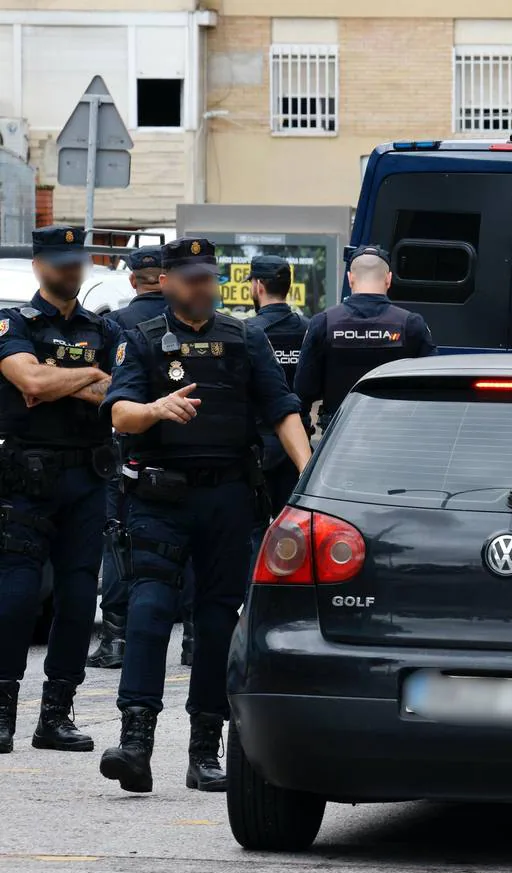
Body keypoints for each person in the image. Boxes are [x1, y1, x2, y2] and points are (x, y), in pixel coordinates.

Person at [99, 237, 311, 793]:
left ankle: (204, 750)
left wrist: (310, 477)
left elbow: (283, 410)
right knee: (148, 610)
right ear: (165, 281)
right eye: (190, 277)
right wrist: (155, 409)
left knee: (217, 621)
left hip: (227, 499)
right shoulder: (140, 340)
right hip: (158, 498)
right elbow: (119, 412)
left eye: (208, 276)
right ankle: (136, 743)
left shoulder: (246, 338)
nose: (201, 286)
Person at [0, 225, 122, 755]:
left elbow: (118, 391)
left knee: (76, 599)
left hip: (86, 478)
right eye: (60, 260)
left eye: (77, 260)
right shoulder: (14, 323)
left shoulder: (104, 329)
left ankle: (56, 715)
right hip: (25, 479)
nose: (71, 269)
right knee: (17, 597)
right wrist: (83, 377)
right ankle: (2, 712)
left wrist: (63, 377)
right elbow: (31, 384)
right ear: (39, 265)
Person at [90, 248, 196, 670]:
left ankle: (115, 638)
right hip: (188, 448)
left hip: (130, 447)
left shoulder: (116, 325)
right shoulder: (189, 324)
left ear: (135, 281)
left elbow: (104, 389)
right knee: (190, 542)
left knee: (120, 539)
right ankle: (192, 639)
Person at [293, 245, 435, 435]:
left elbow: (304, 389)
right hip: (397, 434)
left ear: (350, 278)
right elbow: (431, 385)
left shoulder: (323, 323)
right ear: (389, 279)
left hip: (339, 436)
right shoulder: (411, 324)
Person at [245, 255, 309, 555]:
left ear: (258, 286)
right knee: (294, 527)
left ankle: (252, 596)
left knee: (254, 528)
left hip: (257, 446)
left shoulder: (246, 333)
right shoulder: (309, 329)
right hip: (299, 445)